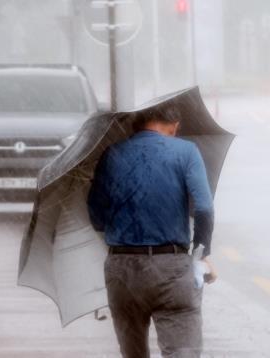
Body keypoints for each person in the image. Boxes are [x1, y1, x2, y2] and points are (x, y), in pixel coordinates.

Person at [87, 107, 216, 358]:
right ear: (174, 124)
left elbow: (97, 218)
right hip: (172, 268)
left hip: (122, 271)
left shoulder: (112, 154)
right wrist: (202, 253)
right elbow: (204, 207)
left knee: (133, 353)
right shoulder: (185, 151)